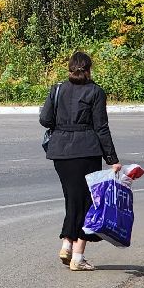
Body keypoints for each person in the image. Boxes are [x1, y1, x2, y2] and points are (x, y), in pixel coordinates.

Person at [39, 51, 120, 271]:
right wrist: (112, 159)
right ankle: (77, 257)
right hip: (86, 151)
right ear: (89, 69)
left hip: (61, 153)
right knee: (87, 204)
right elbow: (101, 127)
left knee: (72, 199)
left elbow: (44, 119)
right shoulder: (96, 92)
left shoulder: (57, 89)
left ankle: (67, 243)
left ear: (69, 68)